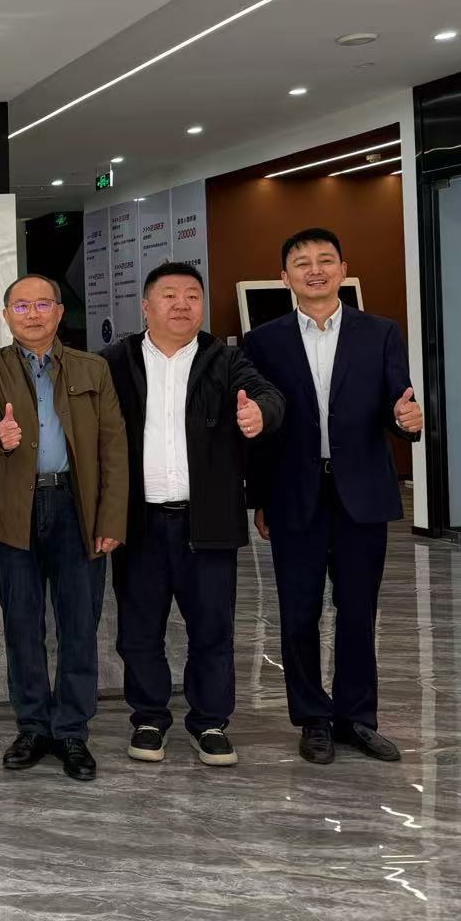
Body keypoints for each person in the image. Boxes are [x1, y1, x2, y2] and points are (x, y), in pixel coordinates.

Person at [243, 228, 422, 765]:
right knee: (298, 612)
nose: (315, 270)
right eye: (302, 263)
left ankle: (357, 718)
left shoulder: (380, 332)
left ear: (343, 269)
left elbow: (399, 404)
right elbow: (259, 428)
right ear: (285, 277)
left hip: (360, 492)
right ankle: (312, 719)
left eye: (325, 260)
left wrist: (407, 421)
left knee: (358, 610)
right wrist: (260, 498)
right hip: (293, 493)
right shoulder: (263, 341)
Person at [100, 262, 284, 768]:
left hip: (208, 523)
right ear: (145, 306)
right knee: (139, 631)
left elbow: (270, 397)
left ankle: (210, 722)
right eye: (169, 295)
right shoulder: (114, 362)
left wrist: (260, 413)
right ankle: (149, 718)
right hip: (138, 523)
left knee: (212, 630)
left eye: (192, 296)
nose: (181, 304)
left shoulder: (226, 359)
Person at [0, 274, 128, 783]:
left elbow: (113, 447)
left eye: (42, 305)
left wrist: (110, 518)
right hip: (14, 510)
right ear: (6, 315)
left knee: (80, 625)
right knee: (22, 625)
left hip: (77, 509)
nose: (32, 314)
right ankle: (33, 727)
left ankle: (72, 731)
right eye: (21, 306)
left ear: (59, 312)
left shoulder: (91, 368)